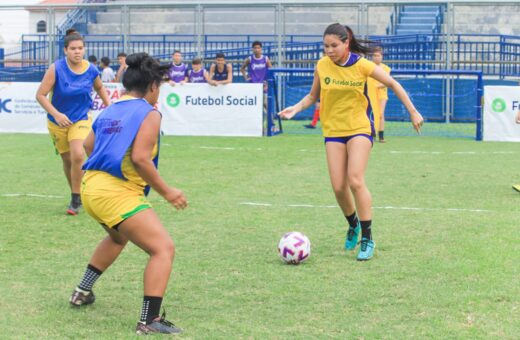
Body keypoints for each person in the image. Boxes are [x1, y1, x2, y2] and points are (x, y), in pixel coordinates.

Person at [278, 23, 423, 261]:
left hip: (359, 128)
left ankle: (367, 238)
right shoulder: (322, 65)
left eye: (334, 45)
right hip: (333, 130)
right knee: (338, 187)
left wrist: (413, 111)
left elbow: (393, 84)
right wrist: (296, 108)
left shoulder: (362, 65)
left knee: (355, 179)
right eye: (326, 46)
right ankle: (353, 224)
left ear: (346, 43)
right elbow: (314, 95)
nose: (329, 50)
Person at [69, 52, 188, 335]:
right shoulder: (150, 113)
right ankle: (149, 320)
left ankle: (82, 291)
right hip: (117, 194)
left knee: (117, 237)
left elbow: (88, 144)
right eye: (159, 85)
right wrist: (167, 192)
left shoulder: (109, 109)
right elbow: (140, 159)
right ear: (153, 87)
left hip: (91, 188)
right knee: (163, 249)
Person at [36, 30, 110, 215]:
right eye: (73, 49)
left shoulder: (91, 69)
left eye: (80, 48)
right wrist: (57, 114)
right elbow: (40, 95)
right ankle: (76, 193)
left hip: (81, 118)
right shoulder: (56, 68)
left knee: (78, 154)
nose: (77, 52)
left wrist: (110, 107)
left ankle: (76, 199)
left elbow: (99, 87)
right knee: (68, 160)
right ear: (65, 51)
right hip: (57, 122)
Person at [367, 46, 391, 142]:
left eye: (378, 55)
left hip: (382, 94)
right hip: (370, 94)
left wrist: (379, 85)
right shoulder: (368, 66)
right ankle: (371, 133)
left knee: (380, 114)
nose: (377, 57)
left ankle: (381, 135)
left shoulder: (386, 68)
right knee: (370, 113)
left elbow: (388, 82)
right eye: (375, 55)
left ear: (382, 57)